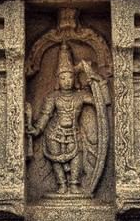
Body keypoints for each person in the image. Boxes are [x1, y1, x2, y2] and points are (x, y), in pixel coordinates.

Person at [28, 43, 97, 195]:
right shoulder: (53, 97)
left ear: (75, 78)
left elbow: (99, 101)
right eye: (63, 77)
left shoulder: (80, 96)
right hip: (53, 133)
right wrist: (37, 129)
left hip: (73, 132)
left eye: (70, 77)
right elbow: (45, 115)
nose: (67, 81)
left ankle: (74, 184)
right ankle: (62, 185)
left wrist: (93, 78)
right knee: (56, 159)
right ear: (58, 79)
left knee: (77, 156)